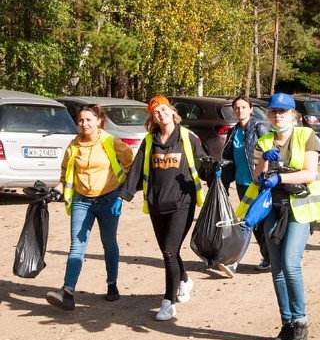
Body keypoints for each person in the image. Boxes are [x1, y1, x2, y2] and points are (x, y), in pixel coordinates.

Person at [235, 93, 320, 340]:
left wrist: (280, 178)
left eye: (283, 112)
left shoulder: (306, 136)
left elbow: (310, 173)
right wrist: (265, 164)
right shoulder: (264, 140)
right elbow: (256, 177)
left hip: (298, 208)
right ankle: (286, 324)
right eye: (274, 111)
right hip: (272, 208)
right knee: (276, 270)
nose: (278, 115)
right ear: (269, 114)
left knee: (290, 263)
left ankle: (300, 322)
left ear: (293, 115)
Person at [118, 95, 207, 321]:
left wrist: (216, 173)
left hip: (182, 203)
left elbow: (203, 163)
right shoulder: (149, 142)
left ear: (172, 111)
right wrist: (122, 196)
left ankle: (169, 302)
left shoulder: (187, 137)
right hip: (156, 203)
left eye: (164, 110)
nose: (161, 114)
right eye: (156, 112)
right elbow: (136, 170)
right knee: (170, 251)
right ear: (153, 118)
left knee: (169, 249)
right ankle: (184, 280)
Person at [46, 104, 134, 311]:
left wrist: (122, 194)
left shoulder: (111, 142)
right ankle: (67, 292)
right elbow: (64, 174)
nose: (84, 124)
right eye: (80, 120)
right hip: (81, 201)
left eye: (88, 119)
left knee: (109, 243)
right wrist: (55, 191)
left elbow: (132, 166)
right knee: (76, 246)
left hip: (108, 200)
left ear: (98, 121)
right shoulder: (73, 145)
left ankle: (112, 284)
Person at [219, 96, 270, 277]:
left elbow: (270, 154)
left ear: (251, 109)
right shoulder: (233, 131)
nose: (240, 110)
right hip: (242, 184)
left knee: (250, 222)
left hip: (258, 184)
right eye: (237, 108)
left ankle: (234, 262)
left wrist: (267, 179)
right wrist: (222, 181)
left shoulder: (259, 128)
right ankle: (269, 258)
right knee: (255, 225)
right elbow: (228, 158)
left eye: (243, 107)